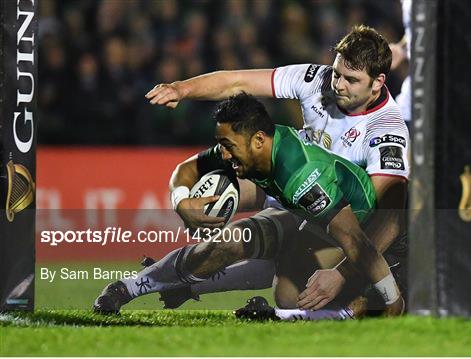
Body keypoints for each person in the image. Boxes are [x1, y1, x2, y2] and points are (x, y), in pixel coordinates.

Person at [143, 24, 410, 310]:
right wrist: (181, 89)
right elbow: (236, 82)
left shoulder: (387, 132)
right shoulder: (315, 80)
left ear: (378, 82)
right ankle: (172, 278)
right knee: (211, 192)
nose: (338, 85)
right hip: (293, 185)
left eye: (351, 80)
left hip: (340, 219)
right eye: (336, 73)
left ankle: (371, 294)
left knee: (287, 292)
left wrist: (342, 274)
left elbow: (388, 220)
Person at [94, 93, 404, 317]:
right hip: (305, 219)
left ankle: (189, 287)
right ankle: (130, 287)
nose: (224, 155)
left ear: (258, 140)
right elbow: (185, 171)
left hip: (357, 232)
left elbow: (356, 241)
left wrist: (392, 300)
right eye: (222, 144)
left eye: (229, 147)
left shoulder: (302, 176)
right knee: (229, 241)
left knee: (288, 295)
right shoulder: (249, 145)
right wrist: (181, 200)